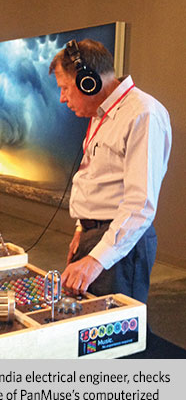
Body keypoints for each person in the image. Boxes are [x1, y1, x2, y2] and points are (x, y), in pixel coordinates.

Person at [49, 39, 172, 303]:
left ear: (88, 82)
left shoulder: (143, 114)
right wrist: (82, 229)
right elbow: (99, 178)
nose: (62, 98)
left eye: (64, 88)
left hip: (120, 247)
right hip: (96, 236)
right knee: (94, 329)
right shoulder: (102, 114)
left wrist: (95, 260)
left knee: (119, 334)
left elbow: (140, 205)